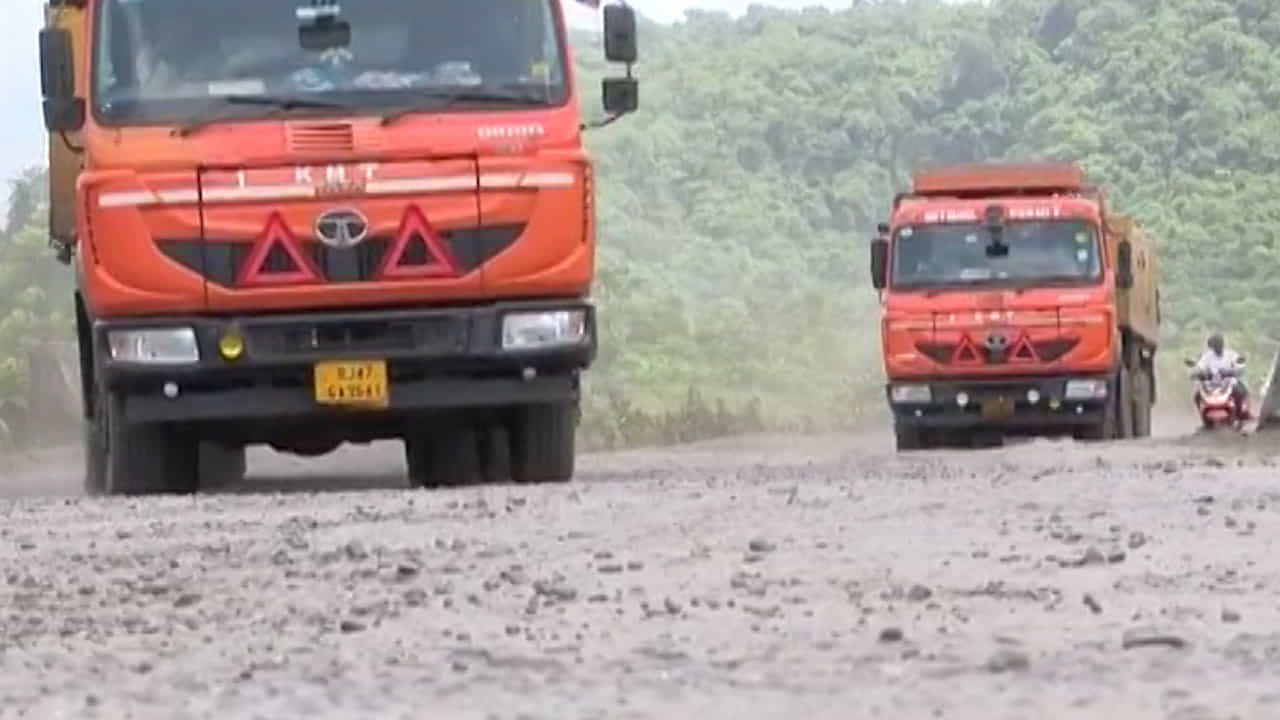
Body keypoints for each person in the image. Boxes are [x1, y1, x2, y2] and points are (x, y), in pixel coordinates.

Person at [1193, 332, 1250, 418]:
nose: (1217, 346)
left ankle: (1240, 414)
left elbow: (1239, 365)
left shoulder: (1231, 354)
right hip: (1212, 385)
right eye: (1215, 344)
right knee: (1197, 396)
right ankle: (1203, 416)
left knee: (1240, 391)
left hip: (1229, 383)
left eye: (1219, 344)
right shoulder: (1207, 357)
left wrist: (1232, 371)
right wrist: (1199, 373)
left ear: (1222, 344)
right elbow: (1200, 366)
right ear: (1212, 346)